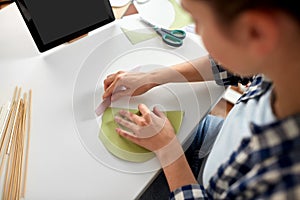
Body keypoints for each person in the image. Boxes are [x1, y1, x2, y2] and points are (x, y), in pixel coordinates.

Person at [102, 0, 300, 199]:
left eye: (198, 20)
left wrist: (168, 149)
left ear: (255, 32)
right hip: (215, 143)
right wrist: (152, 78)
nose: (196, 30)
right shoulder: (286, 53)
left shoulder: (283, 186)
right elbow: (234, 65)